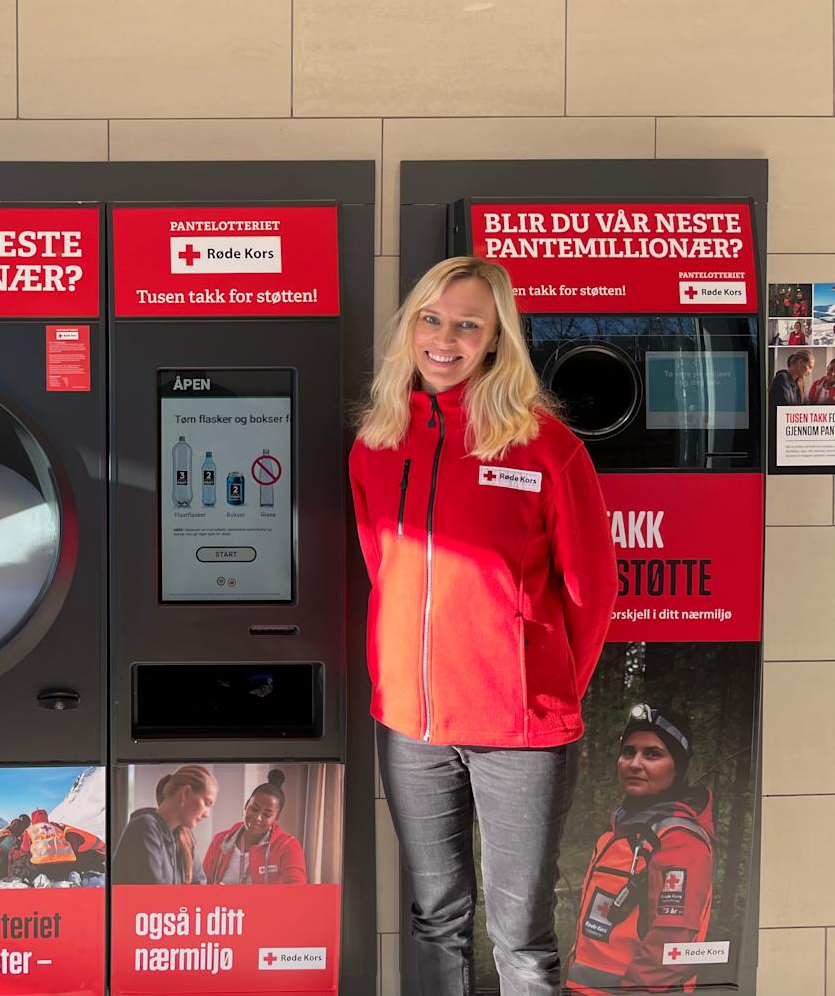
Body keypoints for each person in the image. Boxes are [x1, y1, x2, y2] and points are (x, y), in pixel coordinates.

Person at [349, 256, 616, 996]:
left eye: (468, 324)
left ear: (496, 340)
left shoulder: (545, 446)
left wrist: (541, 686)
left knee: (521, 936)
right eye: (431, 319)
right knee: (436, 917)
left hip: (521, 733)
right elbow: (385, 568)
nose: (445, 338)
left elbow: (593, 591)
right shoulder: (376, 442)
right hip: (411, 726)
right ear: (410, 327)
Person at [567, 705, 715, 994]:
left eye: (652, 754)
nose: (634, 763)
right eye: (628, 752)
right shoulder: (619, 831)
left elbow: (671, 944)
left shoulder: (679, 841)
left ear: (678, 767)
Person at [111, 765, 218, 885]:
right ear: (186, 793)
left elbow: (199, 886)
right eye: (207, 803)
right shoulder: (144, 827)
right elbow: (155, 897)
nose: (207, 814)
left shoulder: (185, 839)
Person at [201, 769, 305, 885]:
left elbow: (296, 893)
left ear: (276, 818)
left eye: (267, 814)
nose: (258, 817)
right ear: (246, 806)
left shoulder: (288, 846)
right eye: (254, 809)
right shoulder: (219, 841)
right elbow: (203, 886)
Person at [20, 808, 79, 885]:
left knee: (26, 860)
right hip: (65, 864)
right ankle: (72, 875)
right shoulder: (56, 827)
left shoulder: (30, 830)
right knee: (65, 869)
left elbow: (24, 850)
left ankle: (40, 878)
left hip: (43, 866)